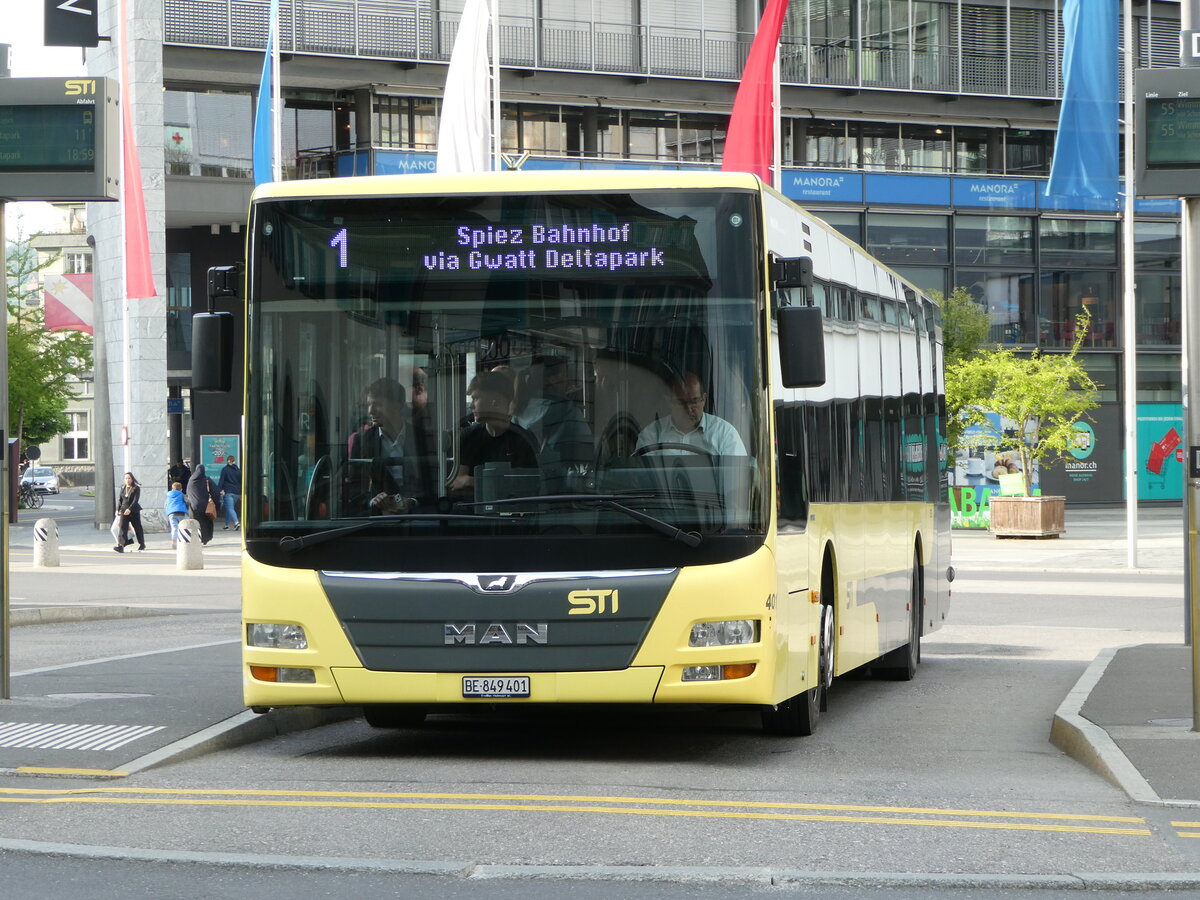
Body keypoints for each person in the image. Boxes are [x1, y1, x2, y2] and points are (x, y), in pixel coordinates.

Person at [451, 370, 539, 499]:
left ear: (495, 400)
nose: (471, 406)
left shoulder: (523, 439)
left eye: (476, 398)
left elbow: (526, 486)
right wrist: (497, 485)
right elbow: (457, 485)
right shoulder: (468, 436)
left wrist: (471, 481)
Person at [347, 376, 427, 514]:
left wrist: (412, 502)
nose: (370, 411)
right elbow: (354, 490)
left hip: (417, 518)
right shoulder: (362, 442)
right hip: (377, 520)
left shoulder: (421, 438)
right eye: (369, 405)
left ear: (397, 404)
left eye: (378, 404)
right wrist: (373, 501)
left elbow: (432, 486)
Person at [635, 371, 747, 457]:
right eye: (681, 402)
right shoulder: (652, 435)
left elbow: (737, 481)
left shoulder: (725, 434)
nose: (688, 409)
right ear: (669, 402)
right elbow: (641, 478)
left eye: (694, 401)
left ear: (703, 399)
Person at [113, 472, 146, 553]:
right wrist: (118, 509)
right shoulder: (123, 487)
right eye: (126, 478)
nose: (127, 480)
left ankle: (142, 543)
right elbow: (120, 499)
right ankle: (121, 546)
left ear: (132, 479)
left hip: (133, 510)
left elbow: (135, 500)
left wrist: (130, 509)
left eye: (129, 478)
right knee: (122, 528)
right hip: (124, 510)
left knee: (137, 527)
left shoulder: (136, 488)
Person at [186, 464, 218, 545]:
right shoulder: (207, 480)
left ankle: (196, 538)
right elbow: (215, 492)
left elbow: (188, 493)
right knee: (206, 523)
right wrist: (217, 504)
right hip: (206, 506)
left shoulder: (191, 481)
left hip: (194, 507)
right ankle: (205, 539)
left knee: (196, 523)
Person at [217, 455, 242, 531]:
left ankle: (236, 523)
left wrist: (220, 489)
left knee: (230, 508)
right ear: (234, 461)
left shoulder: (225, 469)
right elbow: (241, 482)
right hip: (237, 493)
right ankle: (226, 525)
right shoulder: (238, 470)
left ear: (227, 461)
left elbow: (222, 480)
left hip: (228, 492)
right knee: (229, 508)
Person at [165, 480, 188, 549]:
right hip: (181, 512)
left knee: (174, 528)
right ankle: (182, 542)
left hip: (171, 514)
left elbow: (166, 504)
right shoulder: (182, 495)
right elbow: (187, 502)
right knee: (182, 528)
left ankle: (174, 541)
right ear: (181, 489)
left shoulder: (168, 495)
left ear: (172, 488)